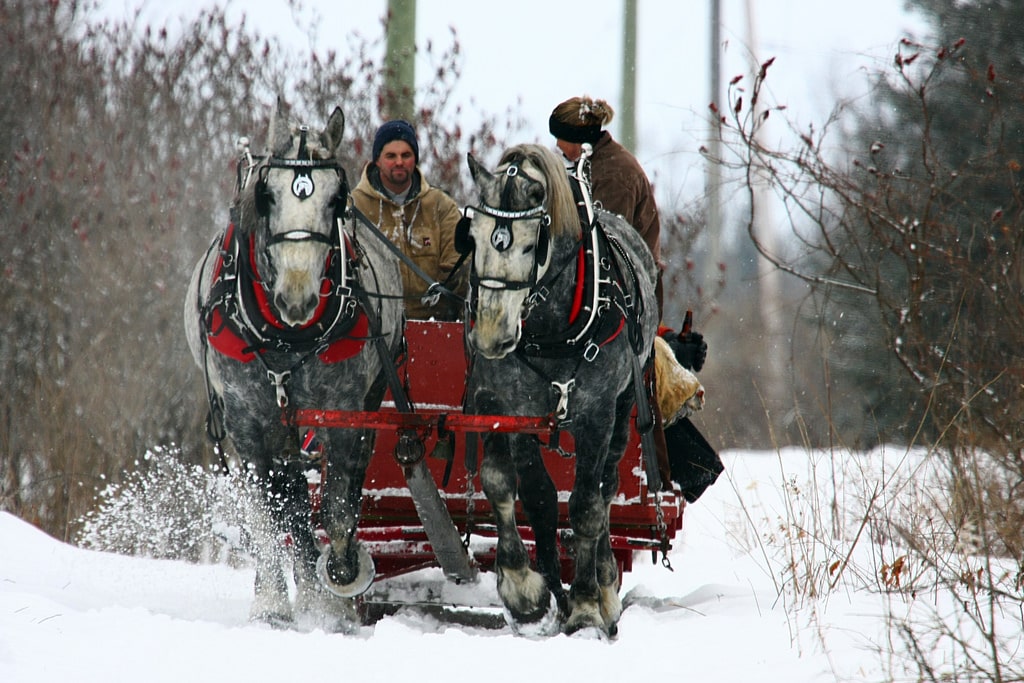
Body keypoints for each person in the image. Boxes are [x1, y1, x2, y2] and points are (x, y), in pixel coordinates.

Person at [551, 96, 719, 500]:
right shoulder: (591, 166)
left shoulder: (613, 176)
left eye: (563, 142)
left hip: (619, 302)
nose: (558, 149)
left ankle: (657, 477)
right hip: (600, 298)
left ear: (582, 141)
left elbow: (599, 254)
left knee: (630, 394)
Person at [351, 120, 468, 320]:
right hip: (373, 327)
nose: (399, 162)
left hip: (433, 325)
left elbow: (458, 267)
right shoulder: (354, 207)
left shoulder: (441, 206)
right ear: (377, 160)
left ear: (415, 159)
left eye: (406, 155)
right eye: (391, 156)